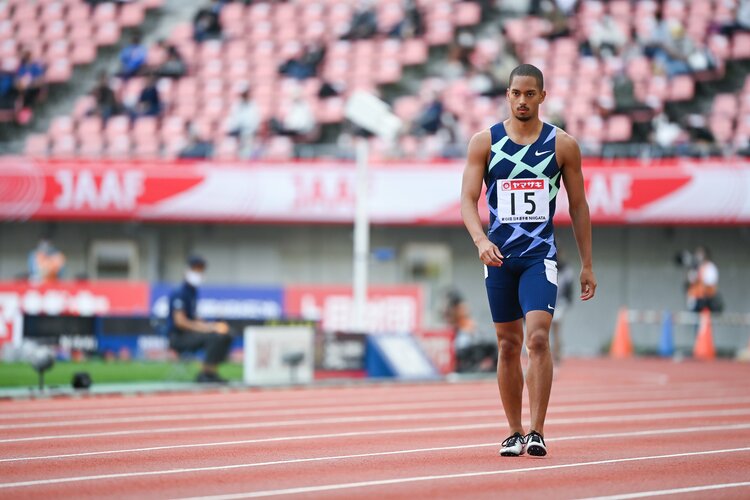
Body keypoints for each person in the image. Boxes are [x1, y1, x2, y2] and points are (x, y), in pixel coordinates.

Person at [460, 64, 596, 457]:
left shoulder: (562, 145)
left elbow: (580, 207)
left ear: (542, 97)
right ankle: (513, 431)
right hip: (499, 257)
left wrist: (587, 264)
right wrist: (480, 240)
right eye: (516, 93)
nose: (522, 100)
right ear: (507, 95)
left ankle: (537, 430)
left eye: (530, 94)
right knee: (507, 345)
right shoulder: (484, 142)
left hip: (540, 256)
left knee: (537, 338)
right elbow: (468, 201)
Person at [166, 255, 232, 383]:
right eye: (196, 270)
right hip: (178, 337)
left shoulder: (193, 292)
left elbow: (194, 318)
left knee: (226, 334)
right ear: (187, 271)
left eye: (201, 270)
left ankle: (212, 372)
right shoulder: (180, 292)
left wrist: (212, 325)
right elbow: (181, 322)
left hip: (190, 334)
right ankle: (205, 373)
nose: (199, 273)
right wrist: (208, 329)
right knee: (214, 336)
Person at [550, 252, 575, 365]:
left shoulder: (567, 270)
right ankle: (547, 354)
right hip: (547, 301)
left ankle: (557, 354)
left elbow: (569, 288)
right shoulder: (548, 265)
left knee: (556, 329)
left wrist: (567, 301)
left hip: (559, 303)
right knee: (542, 329)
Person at [685, 246, 721, 313]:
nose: (698, 256)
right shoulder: (695, 267)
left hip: (706, 301)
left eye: (700, 253)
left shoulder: (710, 267)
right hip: (694, 300)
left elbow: (710, 284)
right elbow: (690, 281)